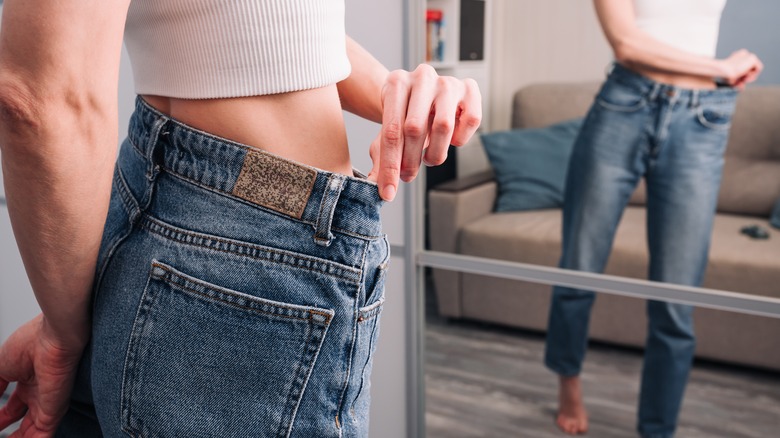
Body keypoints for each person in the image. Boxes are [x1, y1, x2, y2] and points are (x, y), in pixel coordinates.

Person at [0, 0, 481, 436]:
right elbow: (40, 95)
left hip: (166, 210)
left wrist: (402, 98)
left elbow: (258, 24)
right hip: (251, 253)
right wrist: (62, 334)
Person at [544, 0, 762, 437]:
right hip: (626, 104)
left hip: (703, 118)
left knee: (675, 299)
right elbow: (627, 44)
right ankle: (568, 383)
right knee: (579, 268)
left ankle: (657, 429)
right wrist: (719, 64)